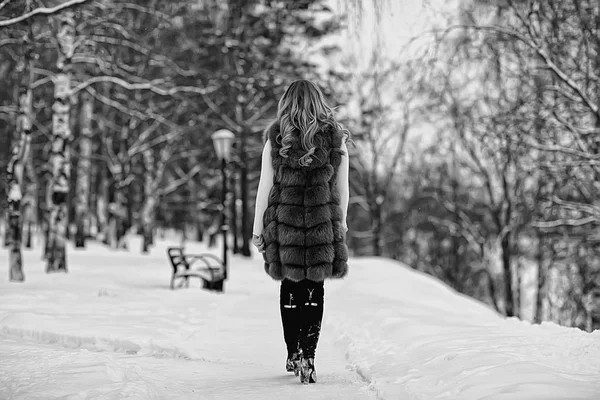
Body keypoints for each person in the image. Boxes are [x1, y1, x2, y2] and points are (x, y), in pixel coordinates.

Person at [252, 79, 350, 384]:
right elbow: (342, 188)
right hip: (322, 225)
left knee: (290, 289)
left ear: (286, 102)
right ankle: (309, 356)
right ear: (319, 101)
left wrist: (258, 230)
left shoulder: (277, 137)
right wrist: (340, 224)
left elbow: (265, 188)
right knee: (314, 292)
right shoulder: (335, 138)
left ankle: (293, 352)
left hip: (286, 225)